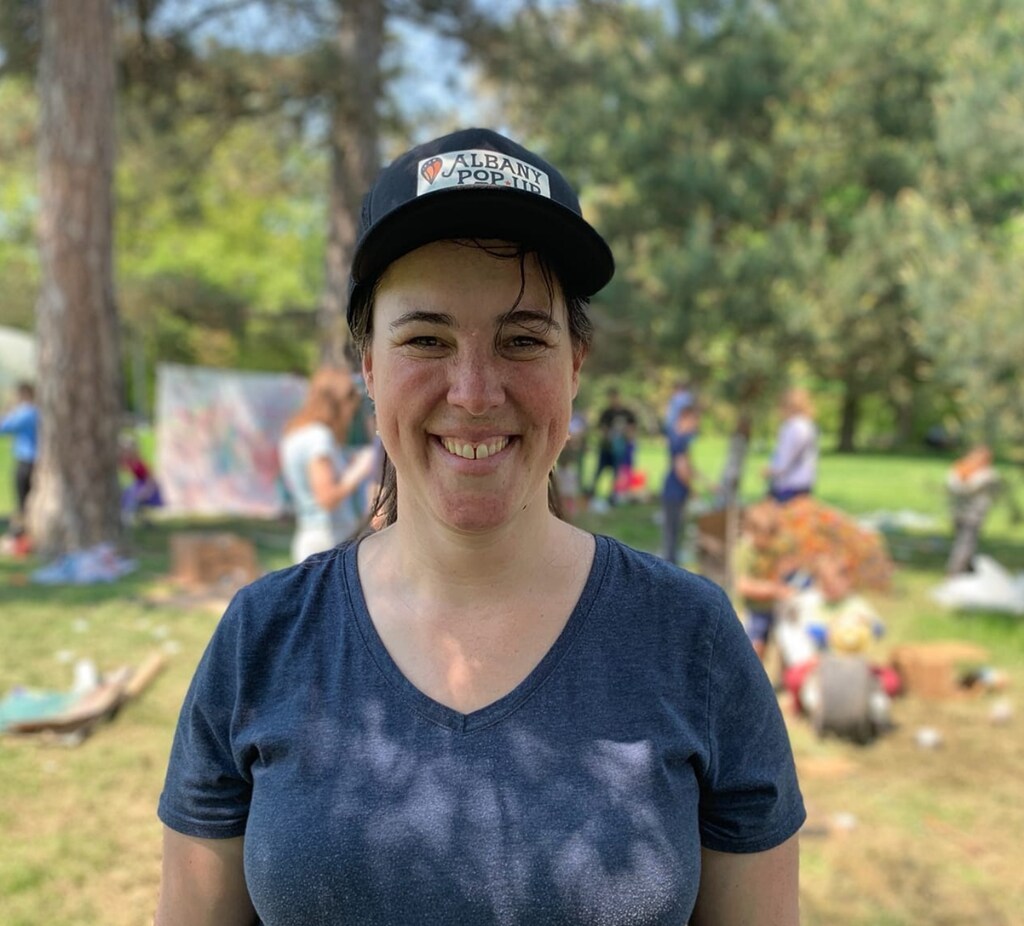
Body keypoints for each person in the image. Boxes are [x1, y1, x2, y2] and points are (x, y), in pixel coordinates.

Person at [156, 128, 804, 925]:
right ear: (368, 370)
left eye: (523, 339)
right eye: (426, 339)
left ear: (574, 367)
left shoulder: (692, 640)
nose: (472, 391)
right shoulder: (262, 637)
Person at [278, 366, 381, 563]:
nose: (352, 412)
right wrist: (359, 470)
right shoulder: (319, 437)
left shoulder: (297, 434)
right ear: (337, 402)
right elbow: (327, 498)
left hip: (312, 536)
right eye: (350, 403)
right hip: (327, 540)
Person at [735, 499, 798, 662]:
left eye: (772, 536)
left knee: (781, 642)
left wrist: (787, 571)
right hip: (751, 609)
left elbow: (786, 561)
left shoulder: (773, 546)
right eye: (766, 537)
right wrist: (773, 590)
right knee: (754, 647)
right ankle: (750, 680)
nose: (769, 543)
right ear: (752, 531)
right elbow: (743, 586)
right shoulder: (745, 551)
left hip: (771, 606)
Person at [945, 445, 1003, 575]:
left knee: (963, 541)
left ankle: (967, 569)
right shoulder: (986, 474)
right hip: (972, 514)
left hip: (958, 511)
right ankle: (956, 571)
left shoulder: (958, 468)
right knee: (966, 543)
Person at [661, 403, 700, 565]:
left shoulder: (677, 438)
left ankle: (672, 560)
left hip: (675, 491)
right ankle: (670, 564)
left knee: (674, 531)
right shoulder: (679, 439)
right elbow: (681, 469)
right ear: (685, 419)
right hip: (674, 491)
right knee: (672, 532)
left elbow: (689, 466)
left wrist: (706, 482)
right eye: (694, 421)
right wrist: (692, 489)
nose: (696, 426)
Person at [765, 387, 818, 503]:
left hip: (788, 485)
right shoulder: (808, 425)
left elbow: (786, 457)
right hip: (804, 483)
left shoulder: (793, 427)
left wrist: (771, 471)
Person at [0, 380, 38, 538]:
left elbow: (5, 428)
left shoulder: (27, 412)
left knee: (24, 498)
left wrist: (8, 412)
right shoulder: (35, 411)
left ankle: (24, 533)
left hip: (27, 461)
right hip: (32, 460)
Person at [587, 386, 637, 505]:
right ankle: (591, 493)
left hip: (619, 448)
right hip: (606, 448)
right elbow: (601, 429)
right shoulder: (606, 413)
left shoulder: (626, 413)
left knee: (616, 473)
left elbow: (632, 428)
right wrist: (608, 435)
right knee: (599, 470)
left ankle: (613, 495)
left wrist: (626, 436)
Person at [118, 434, 163, 524]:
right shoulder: (122, 462)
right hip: (127, 488)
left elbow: (150, 479)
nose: (127, 452)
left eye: (129, 449)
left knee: (131, 495)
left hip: (139, 488)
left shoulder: (140, 463)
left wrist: (145, 491)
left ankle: (128, 517)